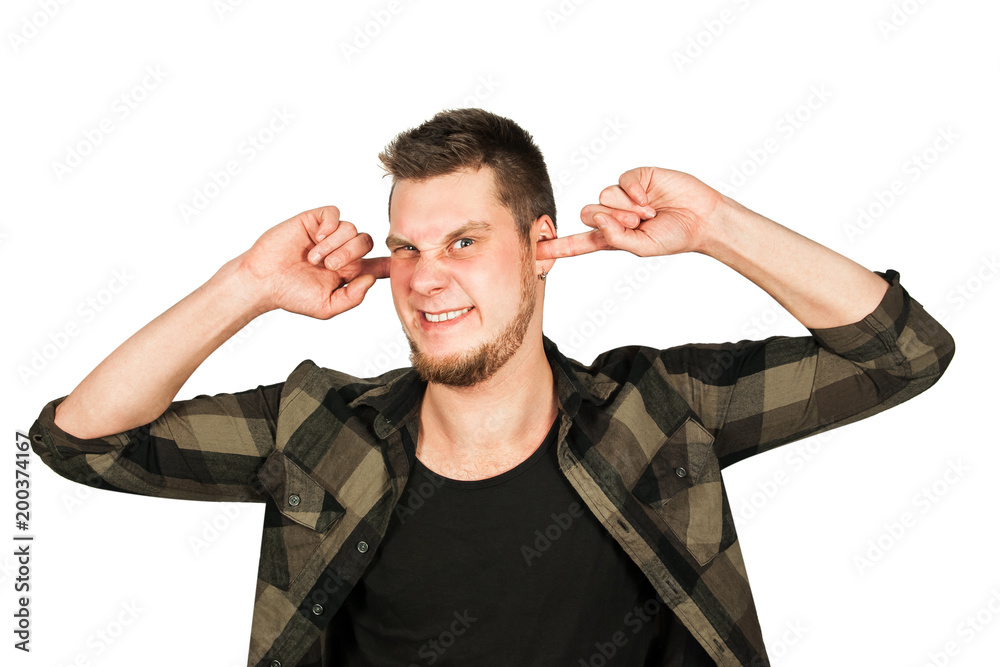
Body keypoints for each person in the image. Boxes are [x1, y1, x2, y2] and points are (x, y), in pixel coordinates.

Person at [29, 108, 956, 667]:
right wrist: (248, 285)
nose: (427, 278)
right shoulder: (317, 427)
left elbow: (902, 353)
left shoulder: (659, 408)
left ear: (541, 245)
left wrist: (716, 224)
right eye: (409, 248)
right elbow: (82, 441)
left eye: (465, 242)